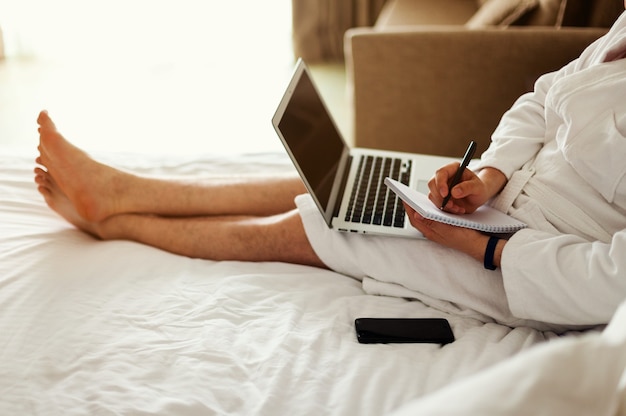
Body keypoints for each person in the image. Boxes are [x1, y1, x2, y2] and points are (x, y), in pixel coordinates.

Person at [35, 5, 626, 329]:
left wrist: (483, 248)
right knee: (345, 180)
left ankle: (112, 221)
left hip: (537, 253)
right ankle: (124, 188)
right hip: (507, 194)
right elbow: (546, 97)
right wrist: (491, 174)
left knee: (317, 226)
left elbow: (612, 284)